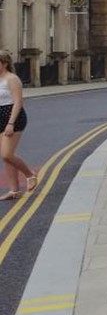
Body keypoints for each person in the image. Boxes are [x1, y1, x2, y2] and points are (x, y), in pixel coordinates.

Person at [0, 50, 37, 201]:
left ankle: (29, 174)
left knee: (7, 154)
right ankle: (14, 190)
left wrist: (10, 123)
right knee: (6, 158)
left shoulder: (12, 79)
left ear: (4, 63)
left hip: (13, 117)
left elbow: (18, 102)